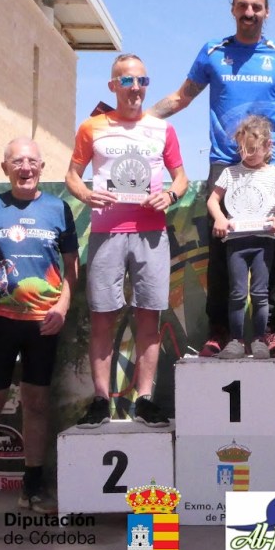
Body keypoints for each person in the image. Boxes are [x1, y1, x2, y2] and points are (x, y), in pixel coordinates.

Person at [150, 0, 275, 358]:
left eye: (256, 7)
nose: (249, 13)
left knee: (274, 255)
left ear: (267, 12)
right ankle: (220, 332)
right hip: (225, 164)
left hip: (271, 166)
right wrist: (141, 121)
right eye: (242, 6)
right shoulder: (213, 52)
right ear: (232, 9)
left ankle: (270, 332)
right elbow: (181, 97)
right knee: (221, 253)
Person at [65, 53, 188, 428]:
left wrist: (171, 195)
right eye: (127, 81)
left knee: (149, 316)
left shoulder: (162, 129)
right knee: (103, 317)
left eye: (142, 81)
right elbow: (72, 175)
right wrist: (86, 195)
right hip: (107, 233)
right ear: (113, 86)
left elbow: (181, 178)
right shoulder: (92, 127)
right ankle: (101, 400)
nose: (135, 88)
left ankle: (145, 399)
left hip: (151, 232)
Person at [0, 137, 78, 514]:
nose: (25, 168)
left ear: (42, 167)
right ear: (5, 168)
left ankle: (32, 487)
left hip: (43, 322)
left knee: (36, 403)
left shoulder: (59, 209)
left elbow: (72, 268)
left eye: (32, 161)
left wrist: (62, 307)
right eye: (17, 162)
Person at [207, 115, 275, 359]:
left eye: (253, 149)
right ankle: (235, 340)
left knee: (260, 293)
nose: (248, 154)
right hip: (235, 242)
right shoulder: (230, 172)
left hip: (264, 242)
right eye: (243, 149)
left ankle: (259, 339)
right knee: (237, 293)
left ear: (268, 146)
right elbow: (213, 200)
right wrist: (219, 218)